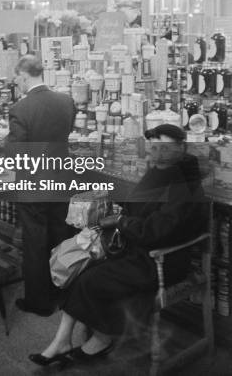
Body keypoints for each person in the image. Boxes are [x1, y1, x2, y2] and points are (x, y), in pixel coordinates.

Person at [29, 123, 206, 366]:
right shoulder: (160, 174)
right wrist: (111, 205)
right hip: (138, 251)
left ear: (181, 149)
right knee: (81, 267)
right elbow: (138, 209)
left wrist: (122, 221)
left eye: (166, 149)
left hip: (161, 260)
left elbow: (156, 231)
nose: (158, 154)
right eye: (154, 148)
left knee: (91, 278)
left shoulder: (183, 188)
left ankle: (100, 339)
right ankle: (63, 340)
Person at [6, 55, 76, 317]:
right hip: (61, 179)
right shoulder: (65, 101)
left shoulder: (20, 109)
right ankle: (62, 291)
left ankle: (38, 301)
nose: (16, 83)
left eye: (16, 78)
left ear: (24, 76)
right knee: (60, 236)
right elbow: (65, 132)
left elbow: (16, 153)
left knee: (35, 242)